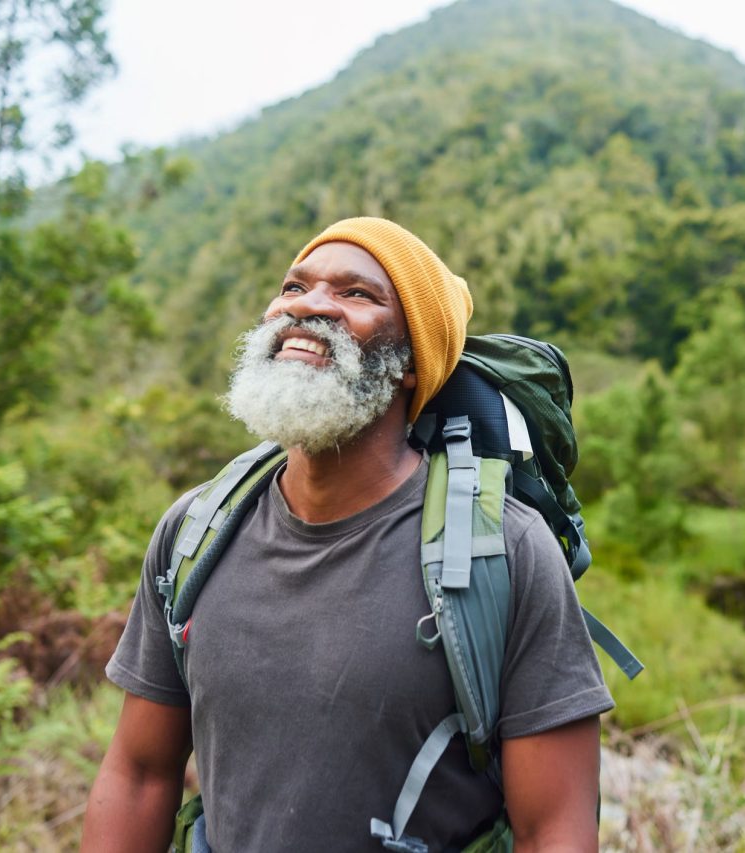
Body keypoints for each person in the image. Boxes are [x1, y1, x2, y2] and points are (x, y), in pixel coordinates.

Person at [82, 217, 614, 852]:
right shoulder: (196, 530)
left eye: (356, 294)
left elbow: (553, 829)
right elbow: (140, 774)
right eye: (294, 286)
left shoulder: (504, 550)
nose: (307, 306)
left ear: (414, 364)